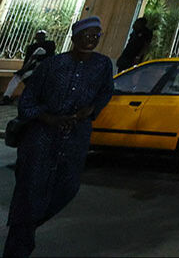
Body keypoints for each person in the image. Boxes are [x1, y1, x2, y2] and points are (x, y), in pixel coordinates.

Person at [4, 16, 114, 258]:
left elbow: (106, 91)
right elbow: (27, 102)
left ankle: (26, 228)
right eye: (86, 35)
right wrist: (48, 118)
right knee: (29, 194)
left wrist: (92, 109)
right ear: (74, 38)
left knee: (67, 188)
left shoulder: (103, 65)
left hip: (75, 138)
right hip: (41, 138)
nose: (91, 40)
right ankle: (17, 248)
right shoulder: (52, 65)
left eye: (96, 35)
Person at [1, 32, 54, 105]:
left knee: (40, 50)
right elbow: (27, 61)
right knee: (16, 77)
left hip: (45, 70)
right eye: (39, 38)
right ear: (36, 39)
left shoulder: (49, 45)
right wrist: (23, 70)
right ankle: (6, 97)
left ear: (44, 38)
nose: (40, 40)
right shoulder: (31, 47)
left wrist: (36, 58)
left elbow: (50, 57)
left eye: (42, 38)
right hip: (32, 70)